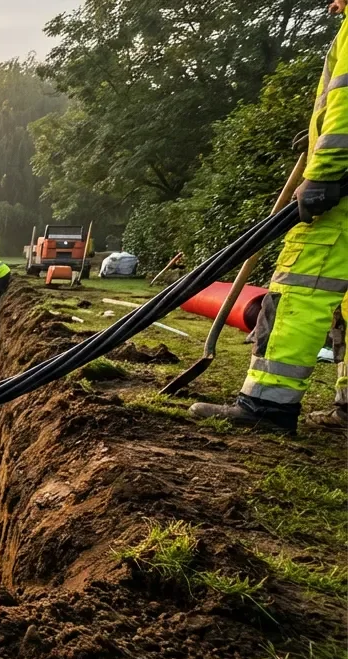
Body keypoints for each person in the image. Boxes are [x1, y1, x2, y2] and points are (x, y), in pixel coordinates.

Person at [191, 0, 348, 432]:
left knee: (300, 288)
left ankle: (266, 406)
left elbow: (345, 108)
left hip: (341, 201)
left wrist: (323, 171)